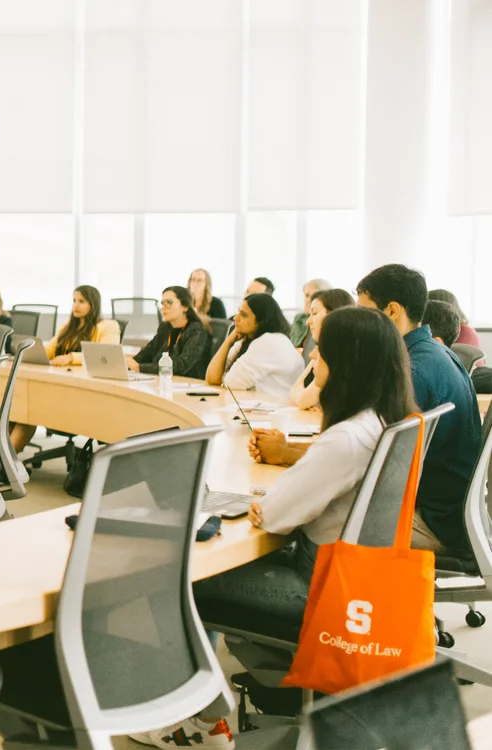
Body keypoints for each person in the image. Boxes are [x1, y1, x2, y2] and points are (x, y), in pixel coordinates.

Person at [146, 308, 421, 750]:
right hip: (358, 581)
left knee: (178, 579)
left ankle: (201, 723)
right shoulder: (387, 419)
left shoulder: (346, 437)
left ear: (346, 365)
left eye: (322, 356)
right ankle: (230, 702)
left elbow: (274, 515)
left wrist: (264, 504)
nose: (315, 364)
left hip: (318, 585)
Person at [255, 265, 481, 556]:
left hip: (429, 520)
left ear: (392, 311)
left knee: (313, 513)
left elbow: (365, 454)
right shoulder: (434, 353)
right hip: (448, 512)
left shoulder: (412, 371)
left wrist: (285, 453)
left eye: (365, 312)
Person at [9, 285, 120, 453]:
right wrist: (28, 351)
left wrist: (71, 357)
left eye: (81, 301)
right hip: (58, 386)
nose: (76, 305)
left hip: (84, 393)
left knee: (29, 410)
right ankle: (1, 458)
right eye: (74, 301)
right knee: (18, 409)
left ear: (93, 304)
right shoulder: (68, 327)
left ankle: (4, 463)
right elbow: (50, 350)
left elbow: (106, 356)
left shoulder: (107, 326)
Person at [205, 294, 303, 402]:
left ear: (261, 321)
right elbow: (212, 378)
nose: (235, 318)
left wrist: (223, 376)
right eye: (238, 312)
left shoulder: (269, 341)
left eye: (243, 315)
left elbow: (230, 383)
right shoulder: (247, 339)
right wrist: (229, 341)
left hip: (278, 411)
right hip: (264, 409)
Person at [127, 286, 212, 380]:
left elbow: (180, 367)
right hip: (167, 381)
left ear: (185, 306)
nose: (163, 307)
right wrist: (128, 363)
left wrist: (140, 368)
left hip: (190, 384)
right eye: (162, 303)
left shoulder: (197, 330)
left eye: (168, 302)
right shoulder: (165, 327)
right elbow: (147, 353)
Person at [289, 289, 354, 410]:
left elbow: (303, 400)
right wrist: (306, 400)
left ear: (333, 314)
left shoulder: (340, 351)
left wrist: (305, 400)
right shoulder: (321, 348)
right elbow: (293, 393)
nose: (308, 322)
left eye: (314, 313)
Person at [287, 278, 332, 348]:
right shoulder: (299, 318)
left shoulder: (331, 319)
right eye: (306, 295)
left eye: (314, 296)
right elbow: (293, 345)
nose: (308, 300)